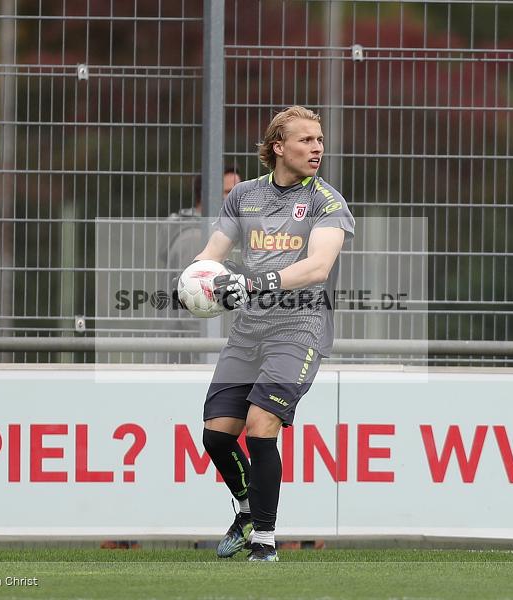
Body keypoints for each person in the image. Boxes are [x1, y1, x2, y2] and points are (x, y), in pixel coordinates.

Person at [185, 106, 355, 561]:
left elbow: (318, 267)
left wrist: (256, 282)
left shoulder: (327, 202)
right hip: (248, 332)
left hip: (298, 330)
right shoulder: (243, 196)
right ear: (278, 147)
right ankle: (245, 511)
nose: (317, 147)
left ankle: (264, 540)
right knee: (217, 435)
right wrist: (196, 281)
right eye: (305, 140)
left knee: (261, 427)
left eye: (319, 140)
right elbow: (212, 252)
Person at [159, 168, 241, 363]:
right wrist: (208, 356)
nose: (239, 199)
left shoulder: (213, 235)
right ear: (207, 195)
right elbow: (192, 307)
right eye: (230, 192)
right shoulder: (196, 238)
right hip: (190, 357)